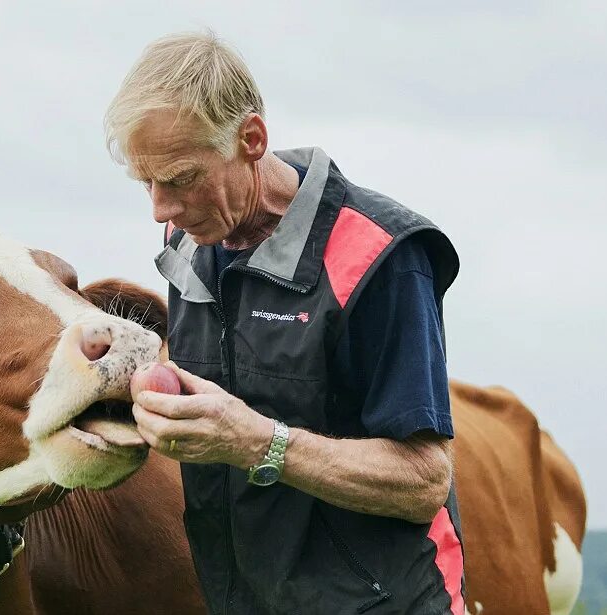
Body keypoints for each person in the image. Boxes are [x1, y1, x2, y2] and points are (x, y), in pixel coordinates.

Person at [106, 31, 464, 615]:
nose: (159, 209)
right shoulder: (190, 241)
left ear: (251, 139)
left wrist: (254, 441)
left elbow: (423, 481)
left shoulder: (379, 256)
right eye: (145, 182)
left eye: (179, 177)